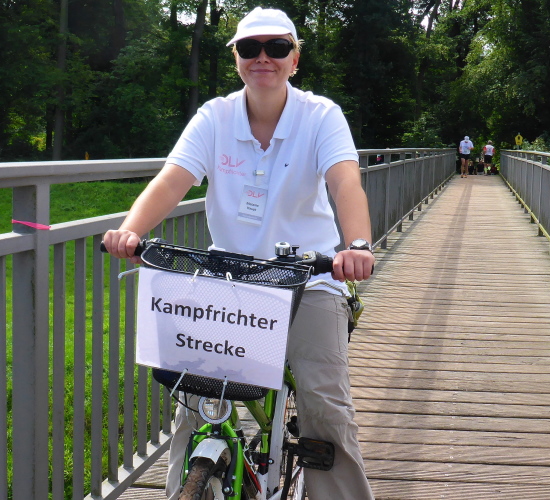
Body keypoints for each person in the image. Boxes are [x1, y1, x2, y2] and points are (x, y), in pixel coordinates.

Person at [102, 7, 376, 500]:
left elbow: (345, 182)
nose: (263, 58)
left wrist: (355, 245)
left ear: (295, 59)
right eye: (250, 48)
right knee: (195, 402)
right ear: (236, 58)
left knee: (324, 405)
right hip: (229, 282)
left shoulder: (321, 115)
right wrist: (130, 231)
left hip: (308, 279)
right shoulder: (215, 117)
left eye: (277, 47)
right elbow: (172, 181)